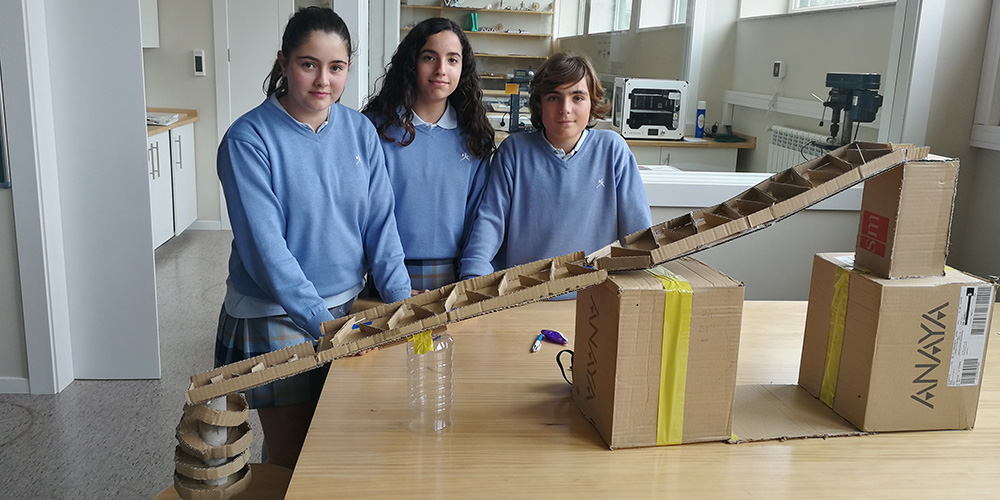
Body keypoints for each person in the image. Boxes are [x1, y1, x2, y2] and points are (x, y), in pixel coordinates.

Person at [215, 7, 411, 470]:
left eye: (336, 67)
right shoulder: (248, 139)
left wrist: (403, 304)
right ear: (283, 62)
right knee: (295, 455)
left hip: (347, 304)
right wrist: (327, 327)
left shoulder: (360, 131)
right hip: (276, 312)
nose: (324, 80)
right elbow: (267, 254)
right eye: (309, 64)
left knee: (339, 440)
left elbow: (380, 224)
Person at [459, 52, 652, 286]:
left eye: (577, 97)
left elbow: (638, 237)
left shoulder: (613, 150)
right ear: (539, 104)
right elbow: (489, 222)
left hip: (594, 294)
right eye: (553, 97)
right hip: (523, 294)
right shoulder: (514, 152)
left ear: (592, 102)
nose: (565, 109)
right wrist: (472, 277)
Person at [363, 17, 495, 291]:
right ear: (412, 63)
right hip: (383, 275)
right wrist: (394, 285)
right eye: (429, 58)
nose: (441, 70)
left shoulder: (475, 136)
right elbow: (365, 215)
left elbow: (479, 218)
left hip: (456, 279)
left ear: (463, 68)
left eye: (452, 60)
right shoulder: (375, 130)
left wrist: (470, 282)